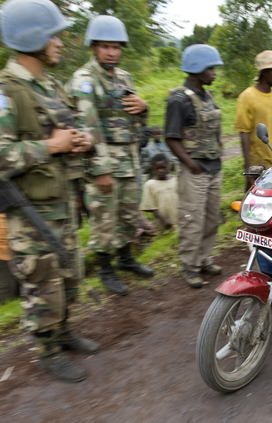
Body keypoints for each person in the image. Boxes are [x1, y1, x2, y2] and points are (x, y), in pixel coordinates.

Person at [0, 0, 98, 382]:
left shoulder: (51, 84)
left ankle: (64, 332)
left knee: (69, 276)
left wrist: (79, 139)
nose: (61, 41)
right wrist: (52, 146)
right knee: (42, 284)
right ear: (32, 38)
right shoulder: (7, 91)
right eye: (55, 34)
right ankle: (47, 350)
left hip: (63, 204)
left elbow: (65, 129)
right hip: (30, 214)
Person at [66, 15, 153, 296]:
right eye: (105, 46)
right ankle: (106, 270)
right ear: (93, 47)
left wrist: (144, 107)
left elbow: (135, 120)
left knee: (128, 215)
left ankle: (126, 259)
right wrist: (100, 168)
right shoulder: (85, 80)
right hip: (102, 162)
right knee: (104, 220)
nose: (112, 52)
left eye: (116, 47)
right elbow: (87, 126)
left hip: (128, 159)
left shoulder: (124, 77)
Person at [164, 44, 224, 288]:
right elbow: (171, 137)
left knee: (210, 219)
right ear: (198, 69)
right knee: (192, 219)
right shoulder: (179, 99)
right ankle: (189, 265)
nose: (214, 73)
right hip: (195, 171)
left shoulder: (207, 95)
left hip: (213, 168)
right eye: (211, 68)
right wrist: (191, 165)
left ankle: (203, 259)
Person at [235, 50, 272, 188]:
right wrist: (248, 168)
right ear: (265, 72)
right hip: (259, 168)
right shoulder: (247, 97)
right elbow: (244, 133)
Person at [139, 154, 178, 233]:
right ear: (153, 169)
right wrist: (163, 219)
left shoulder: (176, 179)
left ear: (168, 166)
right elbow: (150, 206)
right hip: (162, 223)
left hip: (178, 220)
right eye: (157, 168)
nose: (161, 171)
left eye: (163, 167)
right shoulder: (150, 184)